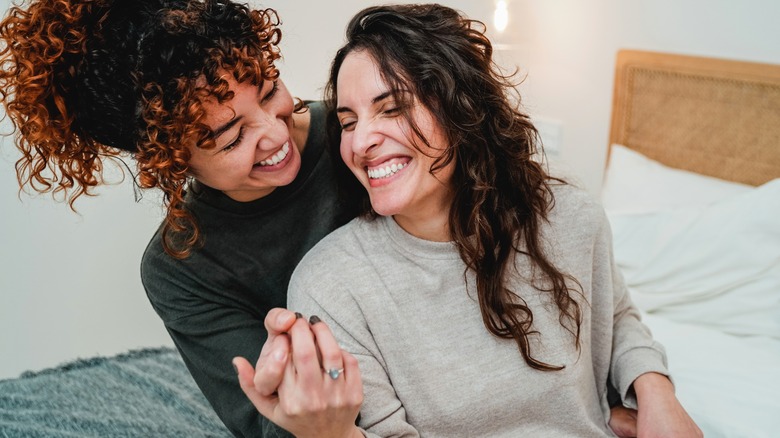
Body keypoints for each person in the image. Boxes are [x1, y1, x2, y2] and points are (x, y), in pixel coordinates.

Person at [235, 4, 702, 437]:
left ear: (460, 108)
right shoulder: (331, 286)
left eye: (392, 107)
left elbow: (614, 315)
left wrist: (656, 390)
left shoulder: (569, 215)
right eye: (349, 121)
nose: (360, 143)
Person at [0, 0, 356, 436]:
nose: (277, 133)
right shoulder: (181, 267)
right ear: (172, 162)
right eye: (232, 138)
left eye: (269, 91)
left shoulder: (357, 134)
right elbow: (268, 423)